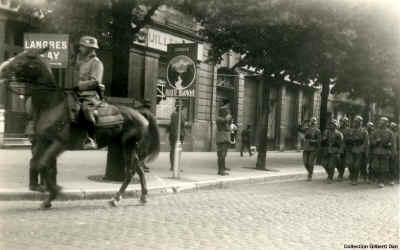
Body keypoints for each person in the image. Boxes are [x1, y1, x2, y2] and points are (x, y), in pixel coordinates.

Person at [72, 35, 104, 150]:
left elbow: (96, 81)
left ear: (90, 49)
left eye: (83, 46)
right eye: (80, 46)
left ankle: (91, 138)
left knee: (86, 110)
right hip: (77, 94)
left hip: (90, 95)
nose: (80, 48)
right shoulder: (81, 62)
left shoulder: (97, 63)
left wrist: (79, 85)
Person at [369, 117, 395, 188]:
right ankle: (379, 179)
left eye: (382, 122)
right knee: (375, 166)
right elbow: (371, 142)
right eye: (380, 122)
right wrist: (376, 142)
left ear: (386, 123)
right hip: (376, 152)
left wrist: (391, 150)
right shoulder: (375, 132)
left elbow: (393, 144)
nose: (380, 123)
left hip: (385, 152)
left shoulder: (390, 133)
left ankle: (381, 181)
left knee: (384, 167)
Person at [321, 119, 343, 184]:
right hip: (327, 150)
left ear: (335, 125)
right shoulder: (326, 132)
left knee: (331, 165)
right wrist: (324, 140)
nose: (331, 125)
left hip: (334, 151)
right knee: (324, 164)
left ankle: (330, 177)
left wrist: (339, 152)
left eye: (332, 124)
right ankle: (330, 174)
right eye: (330, 124)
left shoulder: (339, 134)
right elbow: (323, 141)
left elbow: (341, 144)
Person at [349, 115, 369, 185]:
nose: (355, 123)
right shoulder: (352, 130)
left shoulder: (364, 131)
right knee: (351, 164)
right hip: (353, 149)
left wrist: (362, 149)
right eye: (355, 121)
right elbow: (349, 139)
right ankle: (360, 177)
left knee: (357, 165)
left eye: (357, 121)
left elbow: (366, 142)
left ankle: (356, 179)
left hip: (360, 149)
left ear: (361, 122)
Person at [168, 103, 185, 171]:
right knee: (178, 150)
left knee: (172, 150)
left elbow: (171, 124)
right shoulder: (181, 115)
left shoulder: (173, 114)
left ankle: (172, 166)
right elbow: (182, 124)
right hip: (179, 135)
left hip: (172, 135)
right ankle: (176, 166)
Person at [302, 117, 321, 181]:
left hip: (313, 148)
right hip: (306, 148)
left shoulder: (317, 131)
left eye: (314, 121)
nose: (312, 122)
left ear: (316, 123)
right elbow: (301, 131)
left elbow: (319, 140)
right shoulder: (306, 129)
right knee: (305, 162)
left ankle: (310, 174)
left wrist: (313, 141)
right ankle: (309, 172)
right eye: (311, 121)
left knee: (310, 162)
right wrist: (304, 123)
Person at [216, 102, 232, 175]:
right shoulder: (219, 119)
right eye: (226, 111)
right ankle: (220, 170)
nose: (227, 112)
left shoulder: (223, 118)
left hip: (225, 137)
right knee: (221, 154)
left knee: (224, 154)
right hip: (222, 138)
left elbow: (229, 122)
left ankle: (223, 168)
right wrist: (228, 116)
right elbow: (225, 121)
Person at [338, 117, 351, 181]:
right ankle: (340, 173)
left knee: (346, 162)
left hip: (346, 148)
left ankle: (342, 174)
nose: (341, 123)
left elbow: (349, 139)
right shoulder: (338, 129)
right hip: (339, 147)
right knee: (339, 162)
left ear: (346, 123)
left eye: (342, 122)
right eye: (340, 122)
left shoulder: (349, 130)